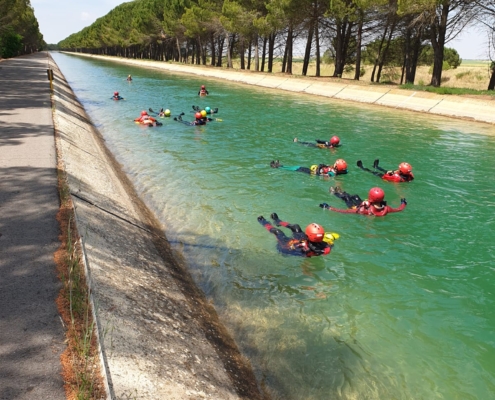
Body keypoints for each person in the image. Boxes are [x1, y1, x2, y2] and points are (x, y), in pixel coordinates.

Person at [257, 213, 337, 257]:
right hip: (302, 240)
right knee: (296, 227)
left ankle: (264, 222)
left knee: (278, 232)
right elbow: (329, 247)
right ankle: (278, 221)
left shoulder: (306, 248)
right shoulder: (324, 245)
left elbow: (302, 251)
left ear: (308, 234)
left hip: (286, 247)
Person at [320, 186, 407, 216]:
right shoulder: (386, 209)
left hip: (355, 207)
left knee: (347, 198)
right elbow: (399, 209)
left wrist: (329, 207)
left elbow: (344, 211)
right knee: (355, 196)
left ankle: (334, 192)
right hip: (365, 205)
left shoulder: (363, 210)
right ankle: (341, 192)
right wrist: (403, 203)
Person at [270, 158, 348, 177]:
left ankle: (277, 167)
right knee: (297, 167)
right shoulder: (338, 171)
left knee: (296, 168)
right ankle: (280, 166)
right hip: (312, 171)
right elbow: (344, 170)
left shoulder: (331, 173)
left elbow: (322, 175)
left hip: (311, 173)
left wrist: (318, 170)